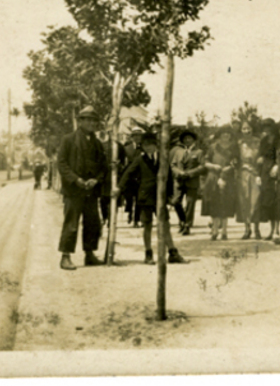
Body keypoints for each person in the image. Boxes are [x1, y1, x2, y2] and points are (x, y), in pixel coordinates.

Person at [117, 132, 187, 265]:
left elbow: (169, 178)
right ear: (142, 146)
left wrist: (170, 195)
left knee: (165, 224)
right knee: (147, 225)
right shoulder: (140, 159)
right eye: (145, 145)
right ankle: (148, 253)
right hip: (145, 197)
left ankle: (172, 252)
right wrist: (119, 188)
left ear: (156, 145)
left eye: (151, 145)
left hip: (160, 197)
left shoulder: (163, 159)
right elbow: (128, 173)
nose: (149, 147)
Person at [57, 106, 107, 271]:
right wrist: (76, 179)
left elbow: (103, 167)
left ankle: (89, 254)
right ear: (80, 121)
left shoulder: (98, 144)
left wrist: (96, 180)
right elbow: (62, 164)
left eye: (94, 120)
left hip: (91, 191)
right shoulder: (68, 140)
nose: (92, 123)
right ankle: (65, 256)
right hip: (74, 190)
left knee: (92, 223)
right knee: (71, 223)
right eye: (88, 120)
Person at [202, 125, 239, 240]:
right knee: (214, 204)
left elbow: (236, 162)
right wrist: (213, 166)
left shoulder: (234, 148)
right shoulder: (213, 147)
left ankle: (224, 232)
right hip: (213, 177)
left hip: (227, 178)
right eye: (223, 133)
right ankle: (214, 231)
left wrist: (229, 168)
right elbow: (205, 162)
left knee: (225, 204)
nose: (226, 135)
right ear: (220, 135)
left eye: (228, 133)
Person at [170, 129, 205, 236]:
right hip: (179, 181)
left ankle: (187, 226)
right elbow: (173, 165)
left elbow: (202, 166)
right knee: (175, 201)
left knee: (190, 204)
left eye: (189, 138)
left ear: (193, 140)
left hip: (192, 181)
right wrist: (179, 172)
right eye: (185, 139)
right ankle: (182, 220)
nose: (187, 140)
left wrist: (189, 173)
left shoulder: (199, 152)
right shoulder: (178, 152)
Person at [236, 120, 262, 239]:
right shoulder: (238, 143)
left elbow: (263, 158)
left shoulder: (259, 142)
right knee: (244, 201)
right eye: (244, 128)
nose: (246, 131)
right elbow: (234, 159)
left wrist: (259, 173)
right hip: (243, 174)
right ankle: (247, 229)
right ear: (241, 130)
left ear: (252, 129)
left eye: (248, 128)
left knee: (255, 201)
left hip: (256, 174)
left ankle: (257, 229)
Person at [257, 118, 279, 240]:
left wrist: (277, 165)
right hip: (265, 172)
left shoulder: (278, 139)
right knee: (269, 201)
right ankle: (272, 230)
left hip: (276, 170)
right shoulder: (264, 140)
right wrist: (258, 174)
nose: (266, 129)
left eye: (269, 126)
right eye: (264, 127)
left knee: (276, 202)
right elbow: (260, 156)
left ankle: (277, 230)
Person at [99, 131, 127, 226]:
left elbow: (123, 161)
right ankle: (104, 217)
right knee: (103, 199)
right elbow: (99, 160)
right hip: (105, 176)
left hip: (116, 176)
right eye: (111, 133)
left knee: (115, 199)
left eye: (115, 134)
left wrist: (119, 166)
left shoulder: (120, 146)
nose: (113, 135)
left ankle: (112, 219)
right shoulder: (103, 146)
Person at [124, 126, 144, 226]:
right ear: (132, 137)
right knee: (129, 199)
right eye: (135, 136)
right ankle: (130, 214)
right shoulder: (127, 148)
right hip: (129, 178)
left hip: (141, 178)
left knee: (139, 199)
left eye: (139, 135)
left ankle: (137, 220)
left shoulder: (145, 148)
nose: (137, 138)